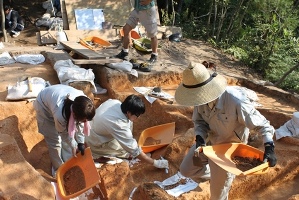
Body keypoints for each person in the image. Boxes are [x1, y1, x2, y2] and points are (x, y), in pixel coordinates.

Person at [174, 62, 277, 200]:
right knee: (186, 169)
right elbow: (199, 122)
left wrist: (269, 148)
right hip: (209, 144)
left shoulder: (236, 101)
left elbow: (264, 125)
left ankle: (222, 178)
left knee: (217, 196)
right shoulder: (199, 100)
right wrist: (200, 138)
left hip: (228, 150)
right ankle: (217, 174)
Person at [85, 94, 169, 169]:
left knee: (129, 125)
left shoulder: (115, 102)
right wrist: (155, 163)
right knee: (128, 152)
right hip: (93, 142)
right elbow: (135, 151)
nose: (138, 117)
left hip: (92, 129)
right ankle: (96, 154)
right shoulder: (118, 124)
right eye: (137, 115)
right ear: (128, 112)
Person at [33, 84, 96, 177]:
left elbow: (81, 125)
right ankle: (58, 170)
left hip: (56, 94)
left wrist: (80, 143)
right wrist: (74, 144)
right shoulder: (60, 115)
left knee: (70, 141)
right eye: (83, 119)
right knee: (55, 142)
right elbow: (63, 134)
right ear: (75, 115)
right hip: (44, 107)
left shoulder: (86, 104)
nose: (85, 122)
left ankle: (68, 162)